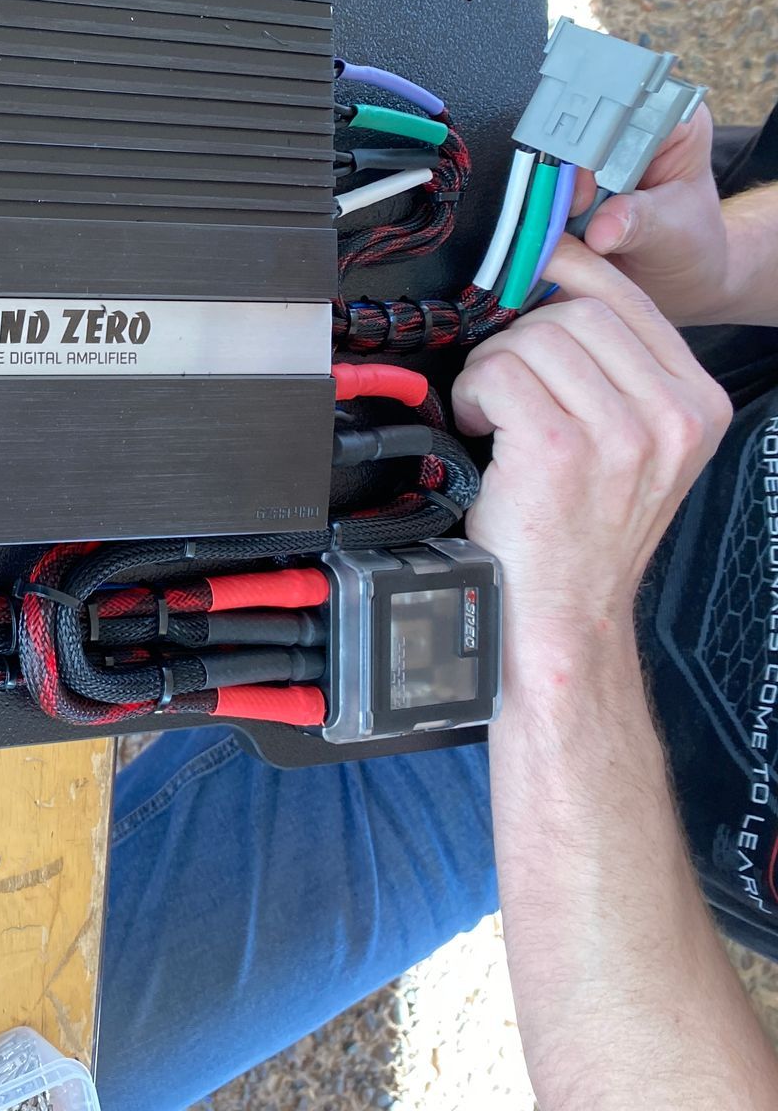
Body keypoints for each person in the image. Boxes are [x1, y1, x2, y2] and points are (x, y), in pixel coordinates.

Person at [98, 103, 778, 1109]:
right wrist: (723, 267)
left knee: (58, 1058)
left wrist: (565, 645)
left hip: (593, 800)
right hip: (608, 379)